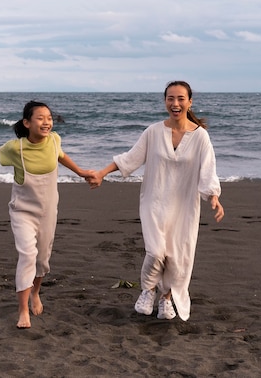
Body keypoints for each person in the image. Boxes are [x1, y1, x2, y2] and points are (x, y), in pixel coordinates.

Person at [89, 81, 224, 321]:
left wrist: (213, 196)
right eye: (170, 98)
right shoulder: (153, 132)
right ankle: (148, 290)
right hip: (154, 202)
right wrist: (101, 173)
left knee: (177, 256)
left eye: (181, 98)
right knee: (156, 251)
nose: (175, 103)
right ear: (165, 101)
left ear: (190, 102)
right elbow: (131, 159)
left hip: (184, 207)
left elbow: (208, 170)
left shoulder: (200, 137)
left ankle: (166, 298)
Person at [0, 100, 93, 329]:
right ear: (27, 123)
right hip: (22, 211)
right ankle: (23, 309)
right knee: (27, 255)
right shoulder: (17, 148)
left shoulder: (54, 140)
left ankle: (36, 291)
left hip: (48, 212)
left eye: (49, 118)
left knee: (42, 260)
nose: (46, 122)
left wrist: (81, 172)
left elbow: (60, 156)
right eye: (40, 118)